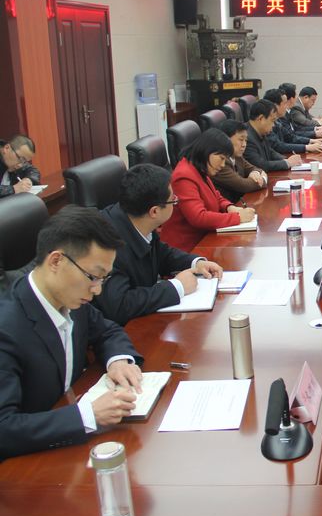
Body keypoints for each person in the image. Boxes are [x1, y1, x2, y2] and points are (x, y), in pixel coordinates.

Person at [0, 205, 143, 459]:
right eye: (93, 276)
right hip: (28, 465)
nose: (97, 290)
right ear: (56, 261)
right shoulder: (6, 328)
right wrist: (88, 415)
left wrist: (118, 360)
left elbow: (107, 330)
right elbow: (4, 428)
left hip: (72, 444)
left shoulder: (69, 297)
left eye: (104, 279)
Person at [95, 164, 224, 326]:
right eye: (173, 201)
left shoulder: (136, 219)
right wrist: (176, 287)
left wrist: (196, 263)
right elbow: (119, 306)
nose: (176, 203)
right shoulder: (107, 245)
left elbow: (160, 253)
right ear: (154, 211)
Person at [159, 129, 256, 252]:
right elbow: (198, 217)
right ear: (207, 151)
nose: (223, 165)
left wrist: (229, 207)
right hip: (187, 249)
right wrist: (237, 217)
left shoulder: (199, 168)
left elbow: (216, 196)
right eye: (221, 158)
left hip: (205, 240)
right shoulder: (184, 176)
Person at [212, 119, 267, 203]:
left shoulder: (237, 156)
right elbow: (243, 185)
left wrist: (254, 172)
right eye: (241, 140)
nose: (244, 145)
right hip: (227, 208)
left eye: (246, 140)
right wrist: (263, 179)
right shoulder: (220, 162)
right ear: (226, 139)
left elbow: (256, 169)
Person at [243, 99, 305, 172]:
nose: (273, 125)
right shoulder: (245, 137)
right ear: (261, 118)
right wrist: (287, 163)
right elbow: (260, 165)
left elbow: (270, 152)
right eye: (272, 121)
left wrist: (286, 159)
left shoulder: (260, 131)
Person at [263, 88, 322, 155]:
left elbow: (290, 137)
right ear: (275, 106)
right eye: (285, 103)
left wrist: (310, 141)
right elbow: (278, 146)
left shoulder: (277, 121)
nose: (286, 106)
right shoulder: (268, 124)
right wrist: (306, 147)